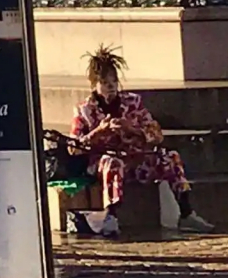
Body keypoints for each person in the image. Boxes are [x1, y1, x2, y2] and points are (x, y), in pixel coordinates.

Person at [70, 46, 213, 236]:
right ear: (95, 85)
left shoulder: (133, 103)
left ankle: (186, 213)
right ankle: (111, 216)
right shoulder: (84, 110)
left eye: (114, 81)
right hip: (106, 163)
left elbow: (156, 134)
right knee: (112, 163)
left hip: (137, 159)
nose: (111, 87)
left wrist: (133, 130)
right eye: (105, 82)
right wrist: (98, 132)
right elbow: (73, 148)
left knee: (169, 157)